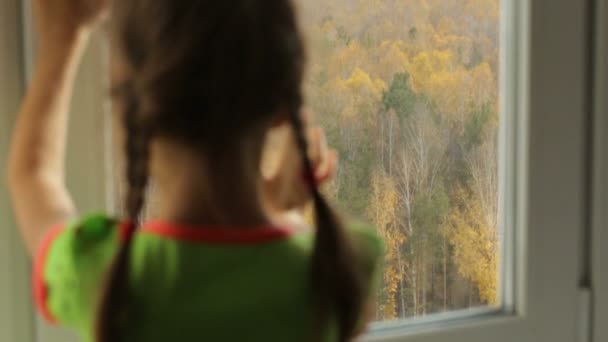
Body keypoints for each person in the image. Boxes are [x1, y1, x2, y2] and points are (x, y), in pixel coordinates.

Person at [7, 0, 383, 341]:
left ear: (133, 109)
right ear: (284, 102)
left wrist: (64, 36)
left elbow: (34, 176)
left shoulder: (107, 278)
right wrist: (278, 208)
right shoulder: (345, 267)